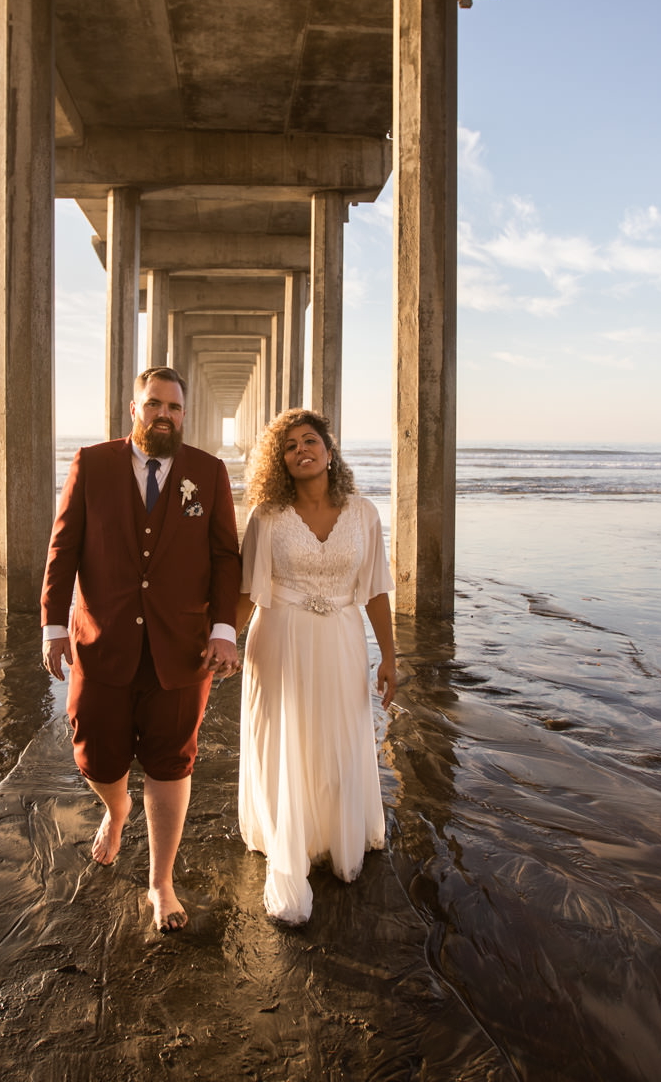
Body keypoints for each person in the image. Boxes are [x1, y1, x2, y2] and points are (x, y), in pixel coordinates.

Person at [41, 366, 241, 932]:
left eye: (175, 408)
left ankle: (161, 883)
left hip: (181, 648)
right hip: (101, 639)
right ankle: (116, 806)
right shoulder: (93, 463)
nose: (165, 415)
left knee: (171, 760)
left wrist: (224, 630)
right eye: (154, 404)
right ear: (134, 409)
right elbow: (64, 546)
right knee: (93, 751)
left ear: (184, 415)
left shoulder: (208, 471)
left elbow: (226, 556)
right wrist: (54, 625)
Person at [234, 408, 397, 926]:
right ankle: (290, 838)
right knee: (285, 738)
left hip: (343, 642)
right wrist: (219, 642)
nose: (301, 450)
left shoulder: (365, 514)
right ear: (279, 461)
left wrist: (390, 655)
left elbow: (374, 591)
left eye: (310, 440)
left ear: (329, 450)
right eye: (289, 446)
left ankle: (332, 832)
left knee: (338, 735)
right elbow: (247, 592)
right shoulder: (266, 516)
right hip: (279, 638)